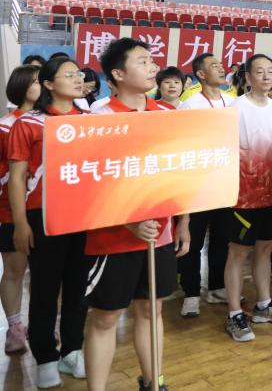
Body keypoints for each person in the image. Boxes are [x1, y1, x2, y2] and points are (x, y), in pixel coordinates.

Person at [84, 38, 190, 391]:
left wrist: (183, 221)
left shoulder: (167, 116)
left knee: (151, 310)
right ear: (117, 74)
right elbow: (87, 184)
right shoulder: (97, 119)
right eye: (142, 62)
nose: (152, 67)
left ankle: (154, 382)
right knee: (106, 317)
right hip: (112, 238)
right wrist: (127, 221)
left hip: (160, 234)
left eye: (151, 61)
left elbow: (179, 175)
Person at [7, 57, 89, 387]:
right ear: (49, 84)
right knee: (44, 289)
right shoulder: (29, 123)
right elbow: (17, 178)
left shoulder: (91, 121)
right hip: (42, 216)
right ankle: (45, 357)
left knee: (78, 289)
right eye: (69, 75)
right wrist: (20, 224)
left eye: (79, 74)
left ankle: (72, 350)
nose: (78, 79)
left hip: (83, 215)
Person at [223, 54, 272, 343]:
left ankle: (264, 305)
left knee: (265, 249)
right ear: (248, 77)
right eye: (259, 72)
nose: (266, 77)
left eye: (270, 72)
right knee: (238, 253)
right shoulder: (236, 108)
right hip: (243, 196)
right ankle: (234, 314)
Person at [177, 53, 234, 317]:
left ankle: (216, 288)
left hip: (225, 182)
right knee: (194, 240)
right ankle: (190, 294)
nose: (221, 69)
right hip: (197, 184)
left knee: (222, 239)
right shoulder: (189, 105)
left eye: (221, 65)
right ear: (200, 74)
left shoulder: (232, 102)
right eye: (214, 66)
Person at [0, 65, 40, 355]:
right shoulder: (5, 126)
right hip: (10, 211)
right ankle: (14, 327)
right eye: (37, 81)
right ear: (22, 86)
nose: (43, 85)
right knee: (15, 270)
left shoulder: (51, 122)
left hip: (46, 211)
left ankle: (43, 323)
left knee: (45, 274)